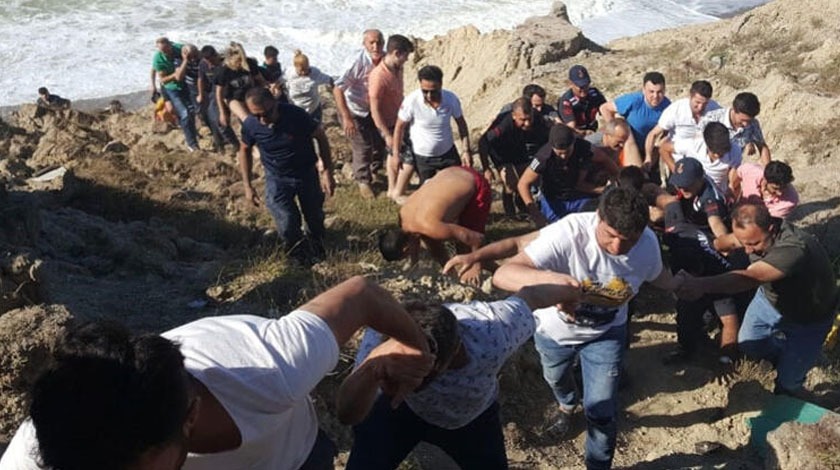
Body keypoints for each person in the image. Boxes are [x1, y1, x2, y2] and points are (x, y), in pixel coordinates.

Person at [0, 276, 434, 470]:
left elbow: (360, 295)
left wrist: (416, 347)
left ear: (189, 416)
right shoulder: (46, 449)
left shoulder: (271, 369)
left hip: (295, 458)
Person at [492, 187, 678, 470]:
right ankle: (567, 405)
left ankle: (598, 465)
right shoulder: (569, 232)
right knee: (555, 378)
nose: (616, 247)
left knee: (602, 411)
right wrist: (558, 283)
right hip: (554, 332)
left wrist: (681, 285)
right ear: (598, 218)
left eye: (627, 241)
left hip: (607, 334)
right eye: (610, 235)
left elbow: (659, 275)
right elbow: (504, 274)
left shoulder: (648, 245)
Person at [339, 283, 581, 470]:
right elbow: (347, 414)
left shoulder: (493, 331)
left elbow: (532, 296)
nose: (407, 383)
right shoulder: (380, 341)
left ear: (454, 352)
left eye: (420, 377)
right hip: (398, 414)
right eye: (401, 377)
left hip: (471, 421)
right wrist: (373, 370)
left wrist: (571, 292)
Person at [676, 201, 838, 396]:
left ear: (771, 229)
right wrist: (713, 245)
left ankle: (794, 379)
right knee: (749, 345)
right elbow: (727, 241)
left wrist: (700, 284)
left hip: (809, 318)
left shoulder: (793, 249)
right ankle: (786, 355)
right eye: (744, 243)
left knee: (788, 383)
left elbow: (749, 278)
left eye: (754, 244)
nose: (748, 251)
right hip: (769, 302)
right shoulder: (752, 235)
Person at [651, 157, 743, 363]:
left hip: (712, 263)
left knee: (725, 312)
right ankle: (687, 347)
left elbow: (717, 224)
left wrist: (725, 243)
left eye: (686, 184)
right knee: (685, 311)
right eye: (679, 183)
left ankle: (727, 356)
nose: (682, 188)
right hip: (692, 249)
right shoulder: (685, 193)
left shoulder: (711, 201)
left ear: (700, 179)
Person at [233, 87, 335, 263]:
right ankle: (296, 254)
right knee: (286, 219)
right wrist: (247, 185)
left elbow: (320, 136)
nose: (263, 120)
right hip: (276, 177)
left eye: (266, 113)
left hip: (306, 173)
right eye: (257, 115)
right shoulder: (251, 124)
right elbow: (244, 149)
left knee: (314, 217)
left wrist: (327, 172)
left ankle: (317, 250)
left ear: (275, 103)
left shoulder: (296, 115)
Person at [378, 166, 491, 285]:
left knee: (465, 249)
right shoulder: (404, 217)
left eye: (406, 256)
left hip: (476, 184)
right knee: (437, 244)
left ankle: (497, 270)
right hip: (452, 172)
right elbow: (420, 241)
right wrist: (415, 265)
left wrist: (475, 265)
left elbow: (476, 238)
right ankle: (455, 272)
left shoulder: (431, 227)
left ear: (405, 248)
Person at [392, 65, 472, 194]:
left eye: (433, 91)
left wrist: (465, 150)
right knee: (428, 193)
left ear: (440, 85)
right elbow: (399, 127)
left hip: (448, 153)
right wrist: (396, 154)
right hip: (423, 157)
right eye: (425, 91)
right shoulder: (411, 101)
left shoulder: (451, 99)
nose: (429, 96)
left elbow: (462, 124)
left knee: (457, 188)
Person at [518, 125, 618, 227]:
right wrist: (535, 214)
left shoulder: (584, 147)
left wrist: (618, 178)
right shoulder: (543, 157)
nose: (563, 156)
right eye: (559, 153)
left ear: (573, 143)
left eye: (567, 152)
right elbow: (523, 183)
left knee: (594, 223)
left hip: (578, 196)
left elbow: (604, 159)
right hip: (553, 200)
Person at [333, 29, 386, 198]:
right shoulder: (357, 62)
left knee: (379, 142)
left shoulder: (385, 59)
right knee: (362, 146)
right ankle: (363, 181)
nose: (375, 45)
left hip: (375, 108)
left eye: (379, 42)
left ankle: (375, 171)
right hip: (354, 109)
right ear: (364, 44)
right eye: (371, 42)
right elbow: (337, 89)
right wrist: (347, 117)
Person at [479, 97, 550, 217]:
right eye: (523, 120)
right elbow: (483, 142)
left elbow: (547, 137)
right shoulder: (503, 124)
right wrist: (486, 168)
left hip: (518, 148)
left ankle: (523, 208)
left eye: (529, 119)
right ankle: (510, 215)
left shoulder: (537, 118)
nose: (527, 123)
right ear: (514, 115)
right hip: (499, 151)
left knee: (524, 179)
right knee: (510, 183)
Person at [366, 34, 414, 201]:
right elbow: (375, 109)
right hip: (388, 122)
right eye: (405, 56)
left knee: (394, 154)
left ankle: (392, 188)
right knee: (405, 155)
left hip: (400, 117)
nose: (407, 60)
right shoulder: (378, 76)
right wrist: (386, 134)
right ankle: (397, 191)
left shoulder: (398, 68)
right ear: (396, 53)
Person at [645, 80, 720, 182]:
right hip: (678, 158)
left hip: (705, 160)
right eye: (697, 102)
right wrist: (648, 157)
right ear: (690, 96)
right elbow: (653, 133)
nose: (700, 107)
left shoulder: (715, 109)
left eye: (705, 103)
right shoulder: (676, 110)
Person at [600, 72, 670, 169]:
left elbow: (666, 133)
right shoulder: (634, 100)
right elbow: (604, 108)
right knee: (627, 133)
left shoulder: (667, 107)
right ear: (644, 90)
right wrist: (614, 130)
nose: (655, 96)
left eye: (659, 92)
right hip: (626, 142)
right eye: (651, 92)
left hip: (647, 146)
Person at [152, 37, 199, 152]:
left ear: (170, 45)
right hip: (171, 87)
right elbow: (163, 80)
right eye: (162, 51)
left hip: (185, 84)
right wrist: (154, 84)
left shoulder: (178, 48)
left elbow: (193, 51)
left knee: (191, 111)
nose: (166, 53)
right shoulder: (158, 59)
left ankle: (191, 132)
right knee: (184, 112)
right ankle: (192, 144)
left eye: (167, 49)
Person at [701, 92, 771, 164]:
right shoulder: (711, 119)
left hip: (733, 168)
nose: (746, 124)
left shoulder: (753, 124)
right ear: (734, 110)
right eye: (743, 120)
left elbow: (762, 147)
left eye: (749, 121)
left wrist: (768, 171)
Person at [215, 42, 266, 143]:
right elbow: (219, 93)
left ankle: (258, 140)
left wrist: (267, 91)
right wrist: (223, 112)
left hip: (249, 94)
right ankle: (251, 144)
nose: (239, 63)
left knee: (260, 117)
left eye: (241, 60)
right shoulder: (223, 70)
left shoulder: (249, 63)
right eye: (238, 61)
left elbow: (260, 80)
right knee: (247, 119)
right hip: (233, 98)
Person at [198, 45, 233, 153]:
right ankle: (222, 144)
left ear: (215, 55)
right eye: (207, 60)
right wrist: (200, 94)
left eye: (211, 60)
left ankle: (234, 142)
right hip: (214, 92)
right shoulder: (203, 64)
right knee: (214, 118)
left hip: (230, 91)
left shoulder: (226, 63)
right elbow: (200, 79)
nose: (209, 63)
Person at [734, 161, 799, 218]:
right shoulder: (751, 171)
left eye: (784, 187)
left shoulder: (790, 201)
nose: (780, 193)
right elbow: (736, 175)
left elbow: (765, 222)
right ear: (765, 180)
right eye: (775, 188)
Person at [286, 49, 334, 122]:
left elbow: (330, 80)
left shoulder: (315, 73)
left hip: (313, 110)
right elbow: (278, 82)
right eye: (301, 70)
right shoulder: (289, 72)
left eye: (306, 69)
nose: (304, 72)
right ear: (295, 67)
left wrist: (337, 92)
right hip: (295, 109)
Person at [557, 65, 607, 135]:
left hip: (593, 127)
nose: (584, 89)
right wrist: (584, 132)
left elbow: (606, 110)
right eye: (580, 86)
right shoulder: (566, 101)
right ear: (571, 84)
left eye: (586, 85)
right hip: (576, 133)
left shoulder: (594, 94)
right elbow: (571, 128)